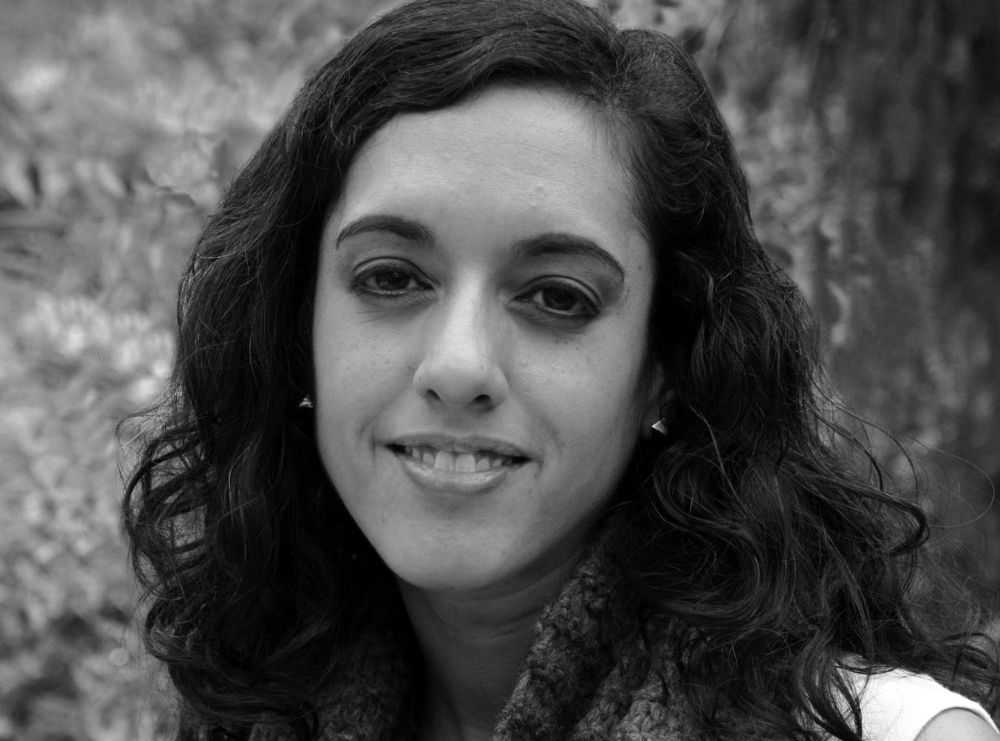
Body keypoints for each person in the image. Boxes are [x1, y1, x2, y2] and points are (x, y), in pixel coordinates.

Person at [122, 0, 1000, 739]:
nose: (458, 364)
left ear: (664, 366)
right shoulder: (245, 711)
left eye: (556, 296)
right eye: (391, 278)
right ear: (295, 330)